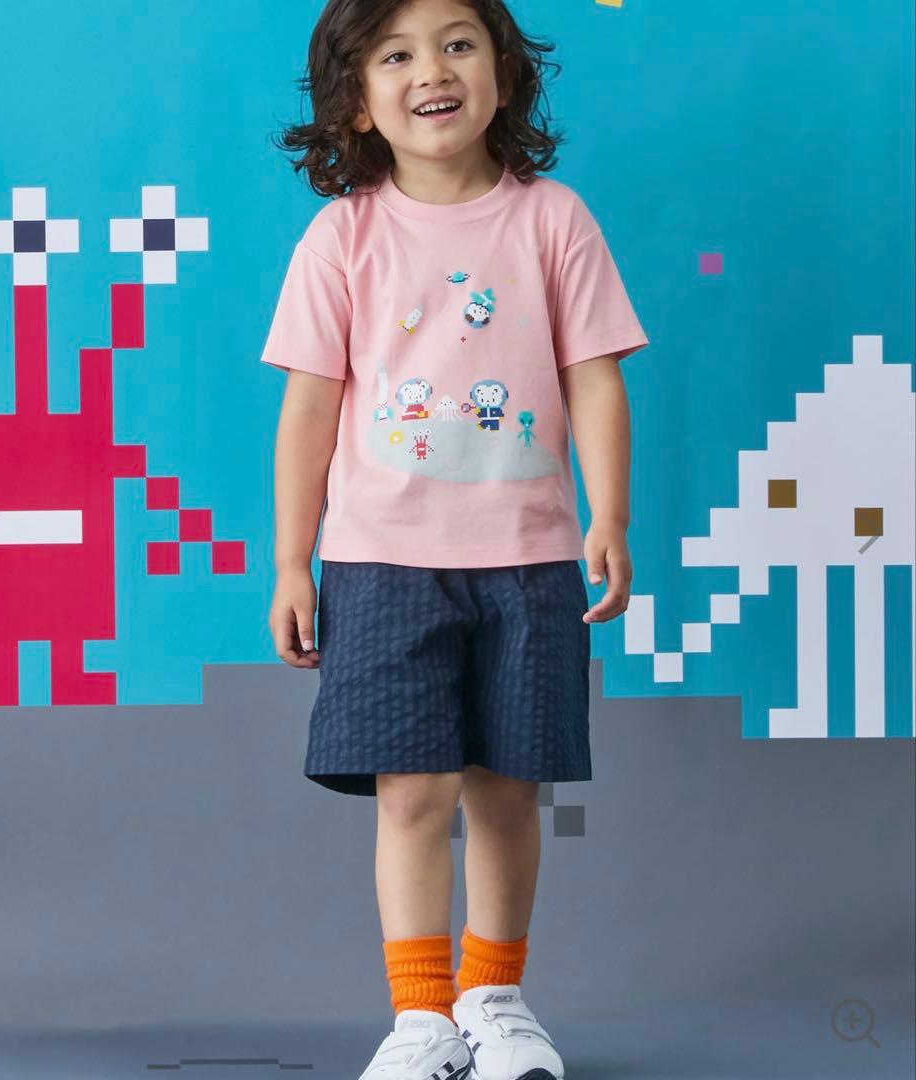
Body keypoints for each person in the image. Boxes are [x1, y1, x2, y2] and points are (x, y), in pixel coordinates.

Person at [261, 1, 649, 1077]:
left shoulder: (553, 220)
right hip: (382, 564)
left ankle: (495, 998)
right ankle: (422, 1017)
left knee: (508, 791)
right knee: (413, 793)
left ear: (503, 76)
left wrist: (609, 515)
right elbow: (308, 407)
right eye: (396, 55)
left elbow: (594, 376)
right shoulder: (342, 237)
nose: (431, 70)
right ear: (356, 102)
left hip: (528, 562)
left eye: (458, 44)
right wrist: (292, 560)